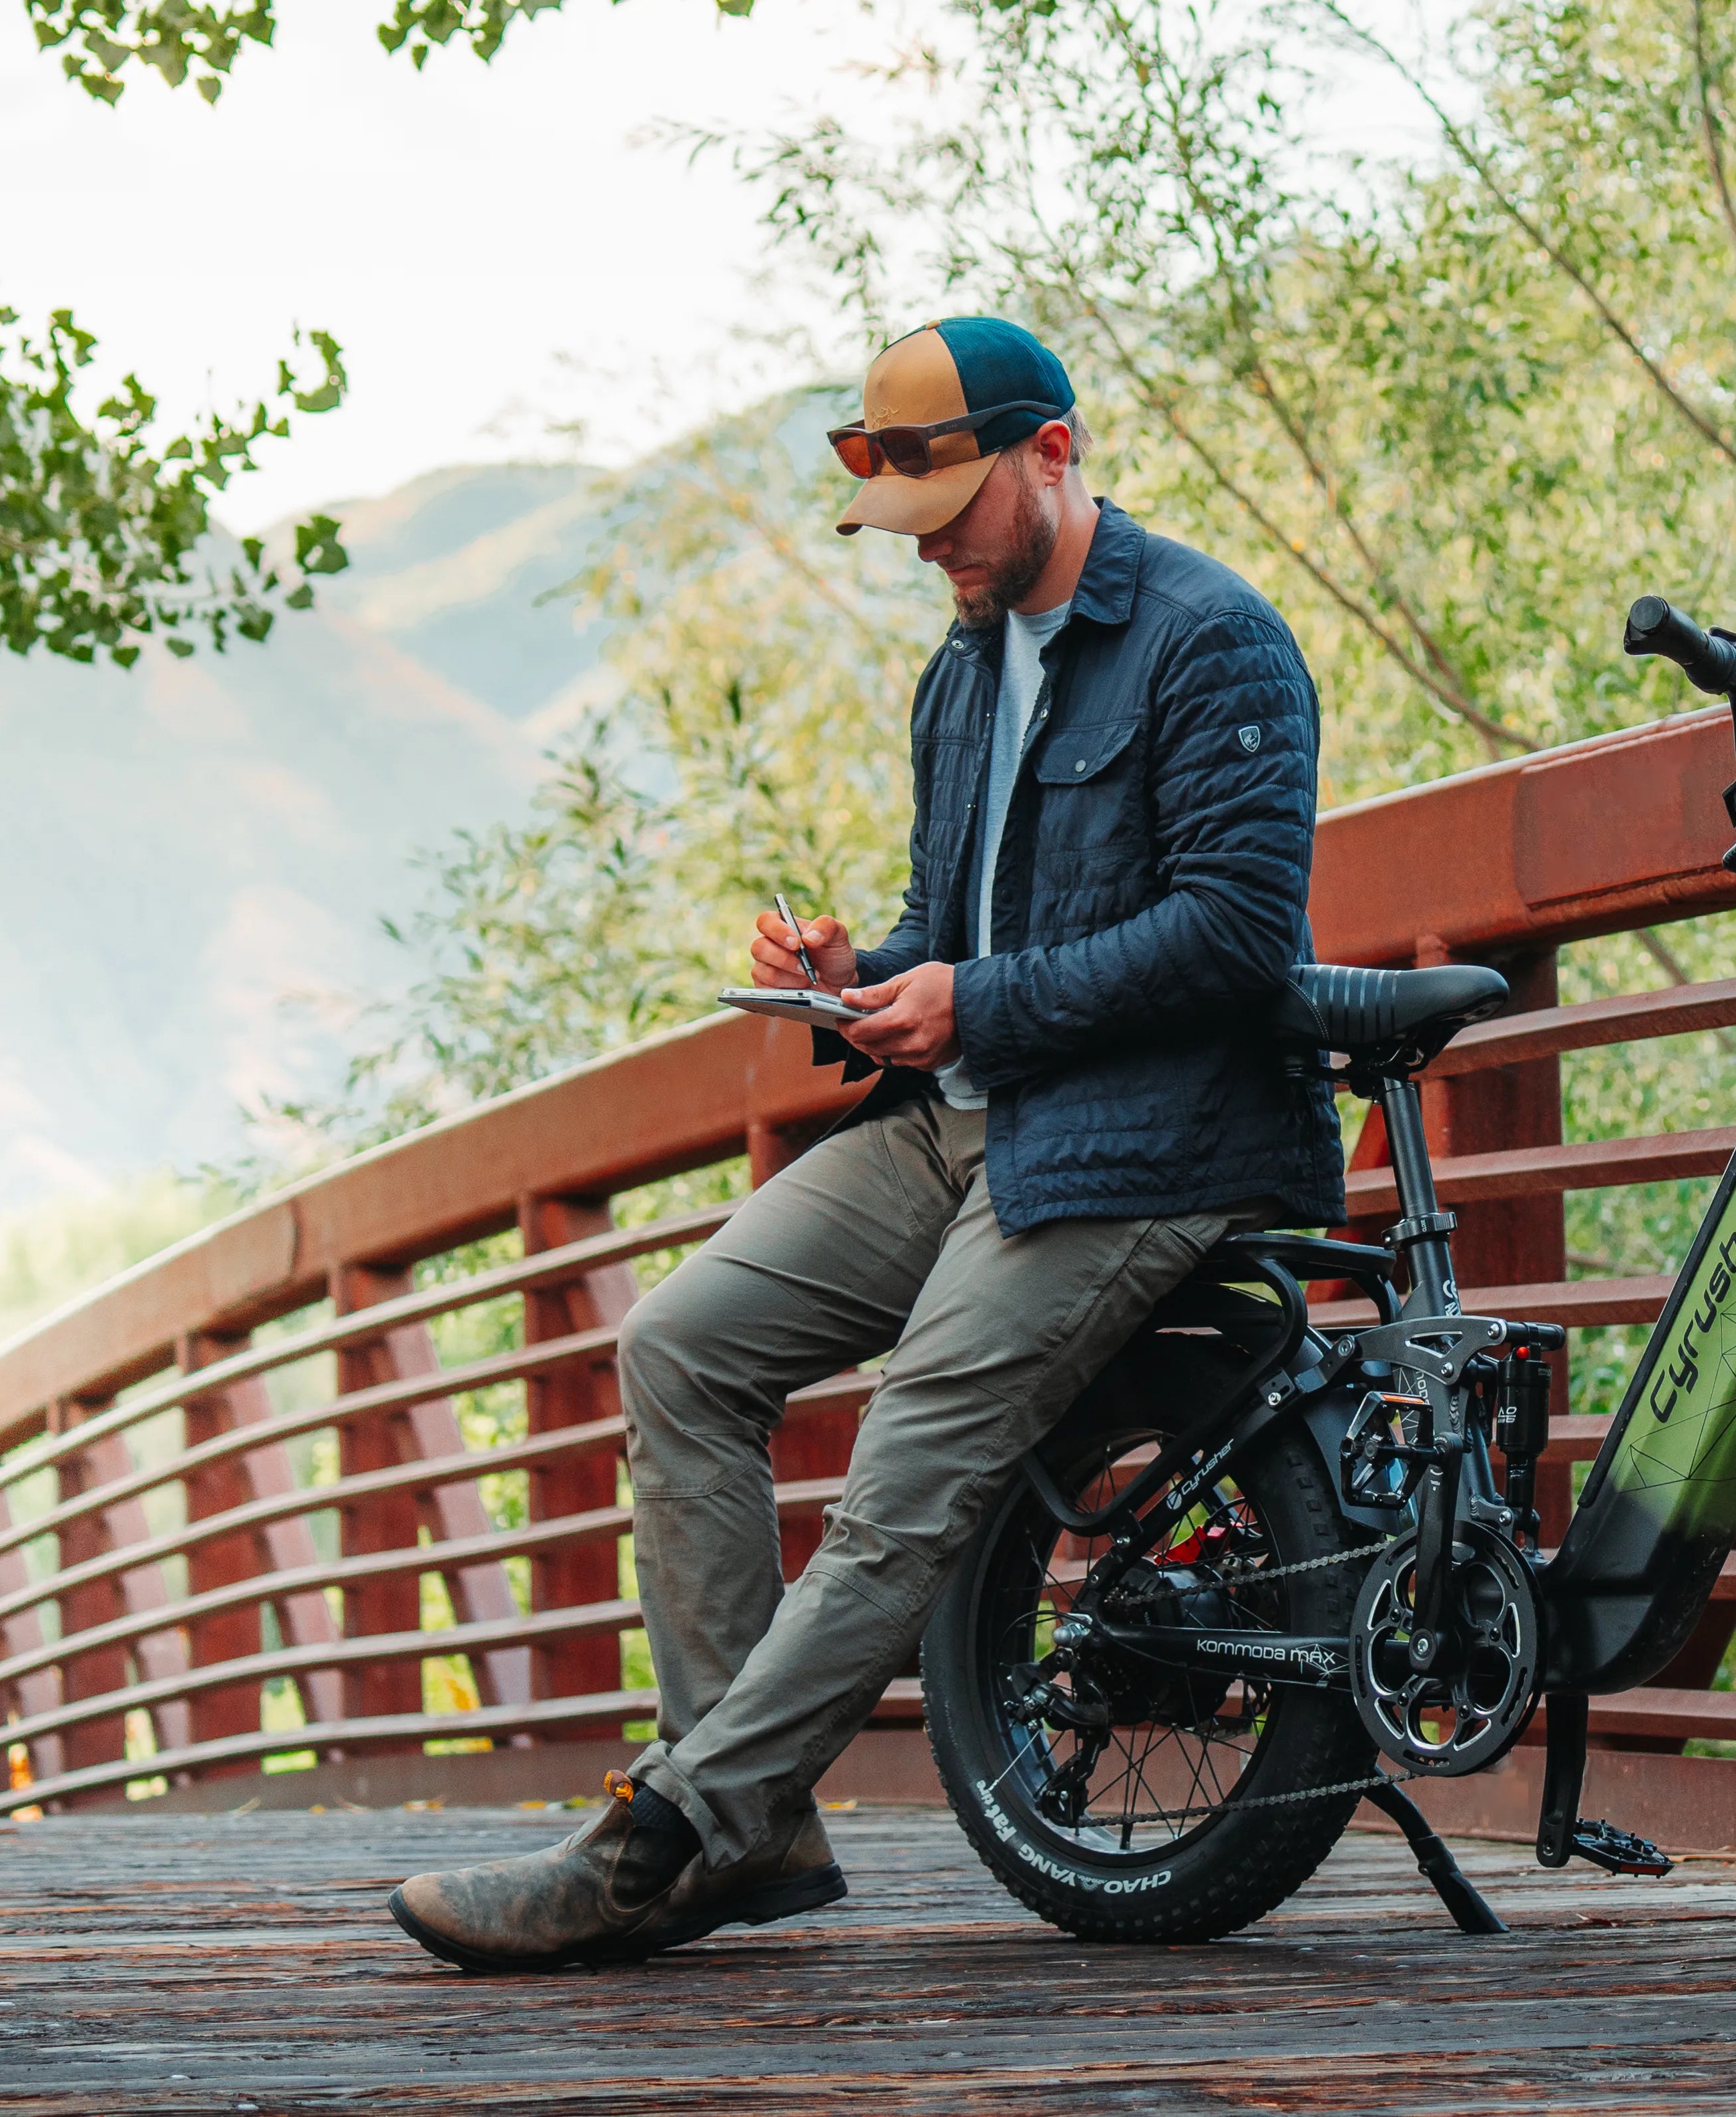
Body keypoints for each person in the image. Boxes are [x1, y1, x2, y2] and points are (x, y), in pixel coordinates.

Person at [387, 316, 1344, 1971]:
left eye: (955, 511)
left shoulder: (1215, 644)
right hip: (960, 1120)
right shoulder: (963, 674)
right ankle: (759, 1825)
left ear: (1054, 452)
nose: (936, 555)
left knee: (905, 1466)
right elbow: (954, 930)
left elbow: (1237, 939)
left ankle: (664, 1842)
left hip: (1151, 1143)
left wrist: (977, 1001)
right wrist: (860, 981)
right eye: (908, 525)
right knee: (681, 1347)